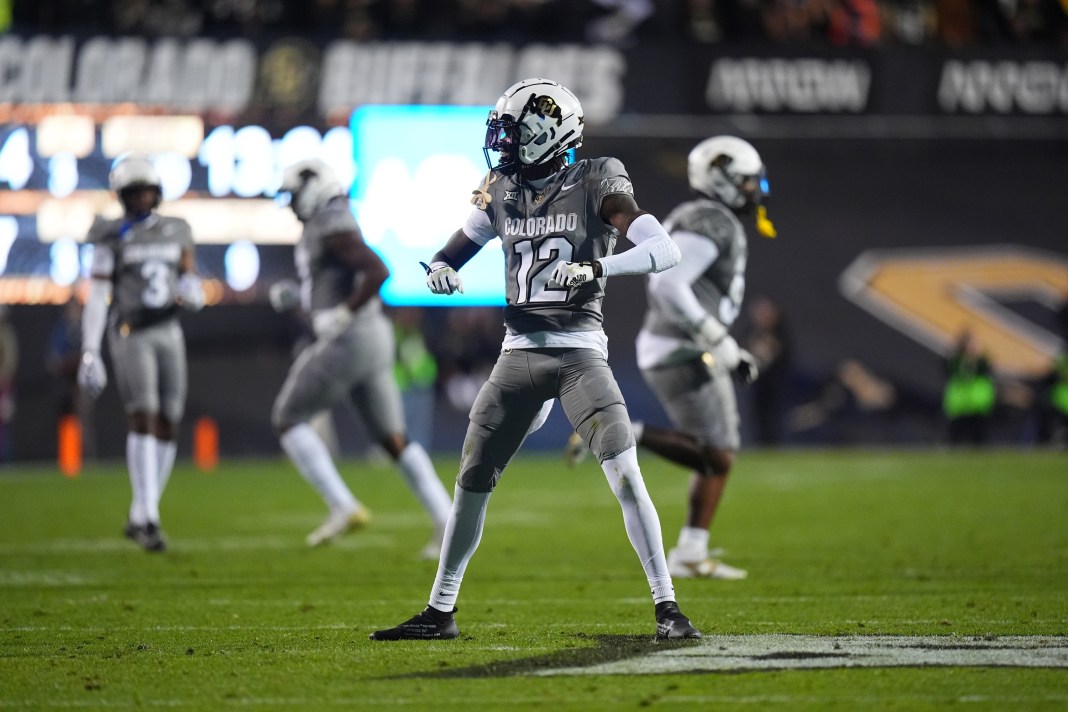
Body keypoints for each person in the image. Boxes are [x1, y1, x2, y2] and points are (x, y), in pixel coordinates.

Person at [370, 77, 699, 641]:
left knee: (624, 473)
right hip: (517, 354)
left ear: (548, 131)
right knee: (471, 480)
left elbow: (663, 250)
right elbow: (456, 248)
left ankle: (668, 607)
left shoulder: (597, 179)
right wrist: (440, 268)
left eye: (513, 132)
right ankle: (440, 609)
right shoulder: (502, 187)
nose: (503, 145)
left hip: (578, 353)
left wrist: (598, 267)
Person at [570, 135, 777, 581]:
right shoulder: (712, 220)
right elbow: (668, 284)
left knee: (719, 449)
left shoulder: (703, 216)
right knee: (718, 454)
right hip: (684, 346)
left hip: (682, 344)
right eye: (745, 181)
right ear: (721, 180)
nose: (753, 190)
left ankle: (692, 550)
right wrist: (719, 339)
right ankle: (624, 431)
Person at [271, 159, 452, 555]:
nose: (291, 204)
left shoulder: (330, 221)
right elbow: (334, 289)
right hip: (371, 335)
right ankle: (445, 521)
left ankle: (341, 504)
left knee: (287, 418)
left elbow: (377, 270)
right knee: (393, 440)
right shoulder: (330, 221)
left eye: (294, 194)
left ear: (314, 187)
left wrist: (345, 312)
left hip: (351, 337)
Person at [77, 153, 206, 552]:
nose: (141, 199)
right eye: (134, 192)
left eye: (147, 191)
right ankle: (148, 515)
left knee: (169, 420)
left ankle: (142, 513)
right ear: (121, 196)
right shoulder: (111, 235)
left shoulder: (177, 230)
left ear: (158, 193)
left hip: (169, 330)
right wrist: (90, 349)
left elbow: (188, 277)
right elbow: (98, 295)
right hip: (132, 331)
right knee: (144, 415)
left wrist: (195, 292)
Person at [942, 328, 995, 445]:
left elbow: (987, 370)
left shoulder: (982, 361)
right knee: (955, 438)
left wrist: (976, 357)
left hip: (978, 405)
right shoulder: (956, 360)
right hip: (959, 405)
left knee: (979, 438)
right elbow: (947, 368)